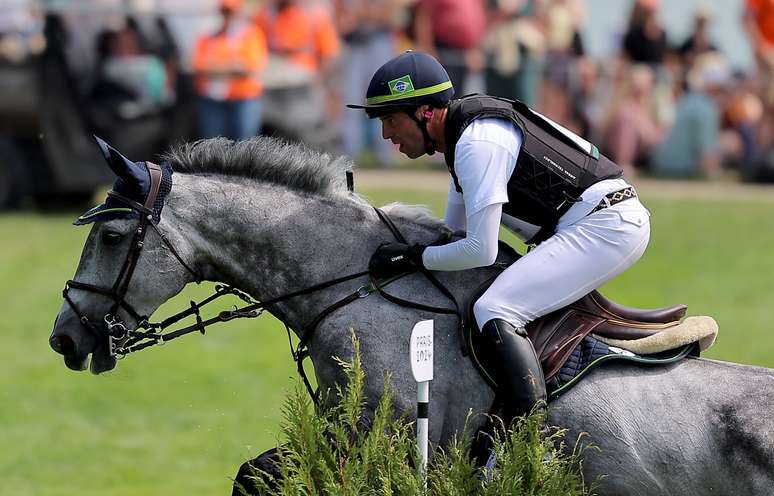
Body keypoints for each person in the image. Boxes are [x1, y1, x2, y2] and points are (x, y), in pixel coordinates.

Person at [347, 51, 651, 421]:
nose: (386, 134)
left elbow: (479, 250)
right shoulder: (462, 140)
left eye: (390, 119)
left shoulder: (477, 144)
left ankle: (526, 428)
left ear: (425, 112)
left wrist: (412, 257)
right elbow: (452, 234)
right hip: (598, 220)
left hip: (606, 227)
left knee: (494, 308)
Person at [192, 0, 267, 140]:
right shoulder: (208, 37)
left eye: (231, 12)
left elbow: (249, 68)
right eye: (225, 12)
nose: (228, 17)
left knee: (245, 145)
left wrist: (216, 68)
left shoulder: (251, 35)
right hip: (213, 101)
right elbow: (200, 67)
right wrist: (233, 67)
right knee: (212, 146)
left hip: (243, 99)